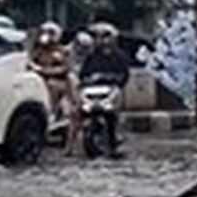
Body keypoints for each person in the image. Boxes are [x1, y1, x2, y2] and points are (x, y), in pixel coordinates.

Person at [28, 22, 80, 156]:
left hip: (60, 86)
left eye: (51, 33)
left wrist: (46, 71)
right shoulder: (36, 52)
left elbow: (66, 68)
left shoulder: (62, 52)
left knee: (71, 114)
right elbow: (29, 64)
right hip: (38, 86)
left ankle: (69, 147)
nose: (47, 36)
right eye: (45, 32)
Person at [80, 23, 130, 158]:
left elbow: (124, 75)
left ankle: (114, 141)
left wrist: (109, 78)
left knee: (112, 116)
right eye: (98, 37)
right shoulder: (92, 57)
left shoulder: (119, 56)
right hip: (92, 91)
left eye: (105, 36)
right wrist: (87, 80)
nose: (102, 40)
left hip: (111, 90)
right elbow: (83, 74)